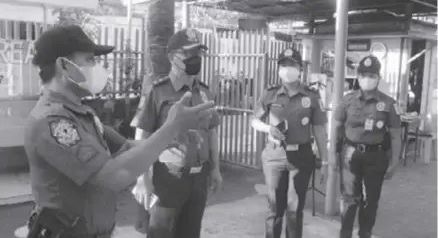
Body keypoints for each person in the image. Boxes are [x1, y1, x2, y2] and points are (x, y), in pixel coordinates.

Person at [23, 25, 215, 238]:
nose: (97, 66)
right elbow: (112, 176)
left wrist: (170, 140)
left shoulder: (81, 113)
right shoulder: (52, 121)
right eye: (89, 59)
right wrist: (169, 129)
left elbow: (126, 147)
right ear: (63, 66)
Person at [130, 28, 223, 238]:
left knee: (191, 233)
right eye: (189, 54)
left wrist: (215, 168)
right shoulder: (157, 91)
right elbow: (141, 137)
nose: (195, 59)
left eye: (198, 54)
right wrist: (142, 180)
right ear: (173, 57)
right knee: (161, 233)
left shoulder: (205, 92)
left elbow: (212, 133)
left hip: (199, 178)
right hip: (168, 177)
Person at [251, 48, 329, 238]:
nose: (287, 70)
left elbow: (319, 129)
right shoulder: (270, 94)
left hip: (301, 158)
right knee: (274, 209)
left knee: (294, 210)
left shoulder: (311, 96)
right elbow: (254, 120)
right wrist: (268, 128)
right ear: (278, 69)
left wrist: (325, 162)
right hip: (275, 157)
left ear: (299, 69)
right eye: (284, 65)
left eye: (291, 65)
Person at [334, 55, 402, 238]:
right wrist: (333, 154)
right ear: (358, 76)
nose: (367, 79)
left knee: (370, 201)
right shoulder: (347, 100)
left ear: (378, 77)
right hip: (349, 154)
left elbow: (396, 135)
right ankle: (345, 234)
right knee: (349, 200)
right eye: (363, 74)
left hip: (376, 157)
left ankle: (365, 234)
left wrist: (394, 163)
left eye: (371, 75)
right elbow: (337, 129)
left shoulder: (389, 104)